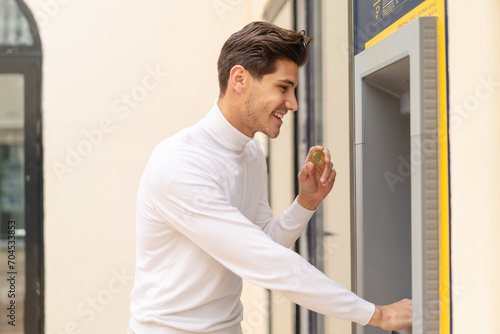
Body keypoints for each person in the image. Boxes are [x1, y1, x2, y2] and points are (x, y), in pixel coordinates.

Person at [128, 21, 412, 334]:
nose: (293, 104)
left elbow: (264, 242)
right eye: (283, 87)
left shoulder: (250, 153)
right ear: (240, 80)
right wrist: (376, 315)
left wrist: (306, 202)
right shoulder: (180, 166)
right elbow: (268, 264)